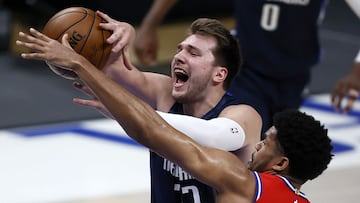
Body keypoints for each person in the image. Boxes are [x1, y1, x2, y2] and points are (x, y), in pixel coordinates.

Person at [16, 28, 334, 202]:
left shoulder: (243, 177)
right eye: (180, 49)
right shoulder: (163, 92)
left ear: (219, 73)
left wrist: (83, 67)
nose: (179, 56)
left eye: (192, 52)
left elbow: (155, 131)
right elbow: (117, 74)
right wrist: (117, 36)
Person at [133, 0, 360, 135]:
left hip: (294, 76)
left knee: (275, 158)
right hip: (245, 71)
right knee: (236, 145)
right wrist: (150, 24)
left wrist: (356, 71)